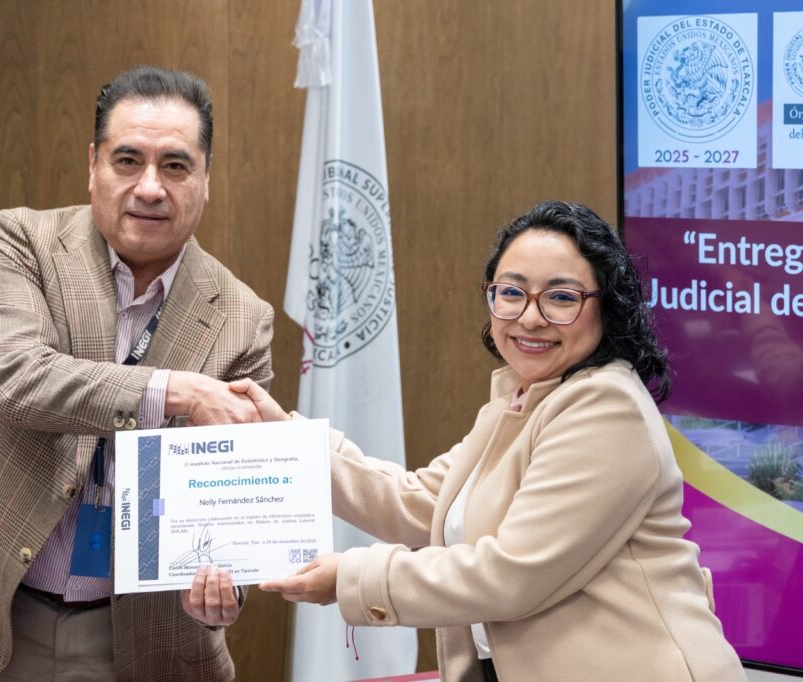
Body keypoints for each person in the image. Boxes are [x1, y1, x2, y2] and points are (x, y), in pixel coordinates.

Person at [238, 201, 746, 681]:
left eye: (562, 297)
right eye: (511, 292)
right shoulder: (522, 397)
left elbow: (512, 573)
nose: (530, 316)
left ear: (607, 308)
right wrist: (289, 443)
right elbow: (420, 501)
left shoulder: (607, 406)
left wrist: (351, 578)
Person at [0, 66, 273, 681]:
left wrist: (226, 585)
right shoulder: (21, 243)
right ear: (93, 164)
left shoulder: (242, 319)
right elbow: (18, 378)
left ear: (206, 180)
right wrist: (174, 390)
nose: (150, 187)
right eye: (128, 160)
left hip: (139, 636)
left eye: (175, 166)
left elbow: (232, 492)